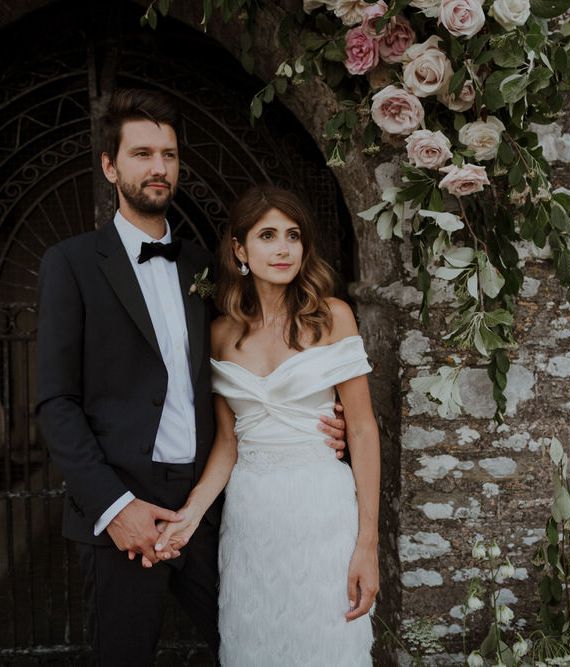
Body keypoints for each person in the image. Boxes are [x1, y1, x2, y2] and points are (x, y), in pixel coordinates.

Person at [36, 88, 347, 666]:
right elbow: (56, 402)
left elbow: (261, 356)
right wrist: (113, 506)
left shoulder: (207, 267)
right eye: (142, 153)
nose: (159, 168)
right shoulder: (70, 265)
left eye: (170, 155)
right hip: (121, 513)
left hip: (212, 506)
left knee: (253, 647)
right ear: (110, 166)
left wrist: (321, 420)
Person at [153, 185, 380, 666]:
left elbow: (361, 430)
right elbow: (228, 444)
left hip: (324, 510)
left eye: (293, 236)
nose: (283, 248)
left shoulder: (333, 318)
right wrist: (189, 515)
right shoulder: (219, 334)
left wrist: (367, 543)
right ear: (240, 248)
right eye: (268, 235)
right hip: (252, 516)